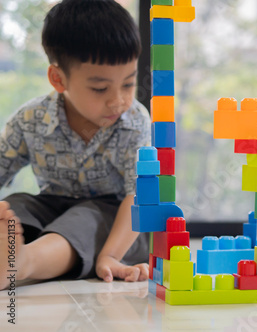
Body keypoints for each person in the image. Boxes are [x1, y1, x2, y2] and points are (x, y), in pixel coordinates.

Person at [0, 0, 151, 290]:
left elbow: (138, 198)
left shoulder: (134, 122)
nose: (118, 100)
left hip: (117, 220)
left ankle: (21, 264)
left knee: (85, 220)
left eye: (129, 84)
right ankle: (11, 253)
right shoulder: (31, 119)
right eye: (100, 88)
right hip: (52, 204)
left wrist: (110, 255)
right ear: (58, 79)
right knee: (17, 206)